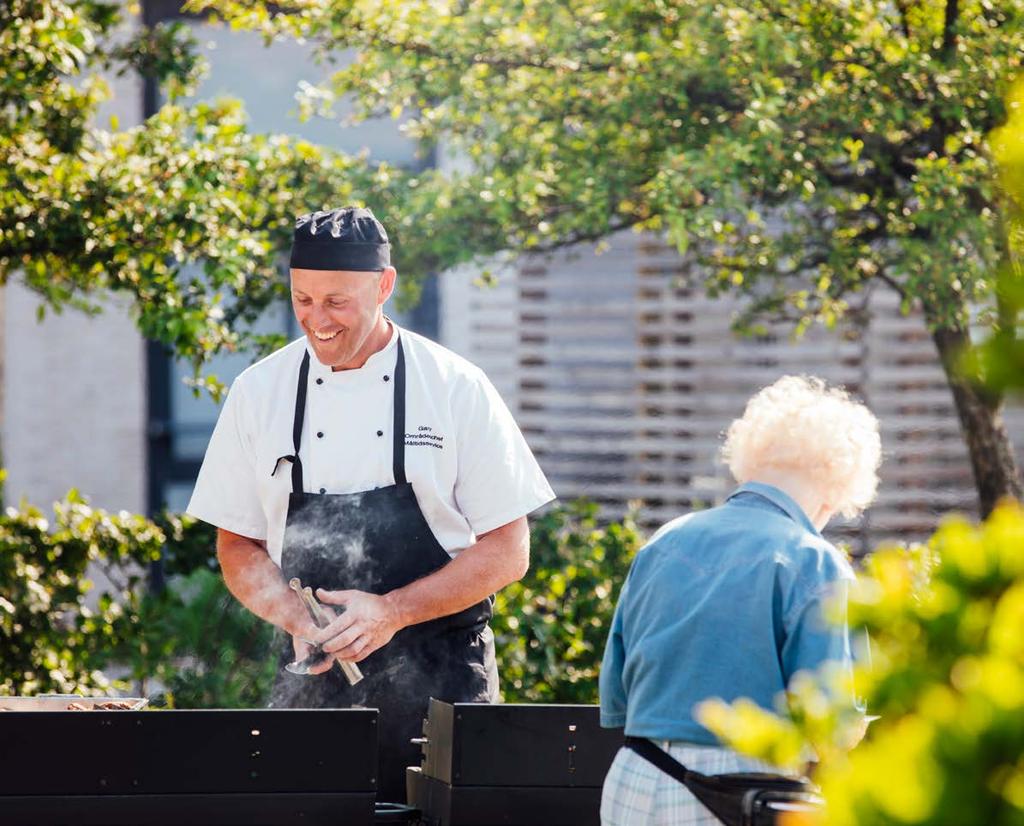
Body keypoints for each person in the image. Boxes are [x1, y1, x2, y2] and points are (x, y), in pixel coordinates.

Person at [187, 206, 555, 802]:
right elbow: (237, 544)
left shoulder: (455, 387)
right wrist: (297, 619)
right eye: (302, 300)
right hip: (316, 687)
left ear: (384, 286)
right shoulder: (260, 392)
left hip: (442, 683)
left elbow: (508, 552)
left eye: (336, 302)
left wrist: (392, 612)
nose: (316, 320)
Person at [599, 375, 880, 825]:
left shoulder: (663, 541)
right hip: (743, 791)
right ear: (836, 490)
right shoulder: (815, 561)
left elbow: (615, 697)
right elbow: (833, 725)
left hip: (633, 777)